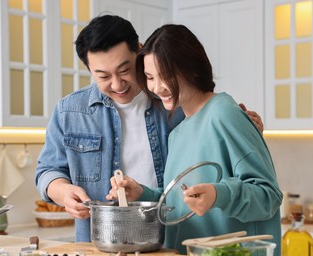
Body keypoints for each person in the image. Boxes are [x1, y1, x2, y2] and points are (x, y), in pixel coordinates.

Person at [35, 15, 264, 243]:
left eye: (125, 70)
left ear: (139, 51)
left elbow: (226, 159)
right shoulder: (70, 111)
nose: (117, 84)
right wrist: (64, 193)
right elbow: (47, 171)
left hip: (170, 240)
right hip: (100, 243)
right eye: (102, 76)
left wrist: (243, 132)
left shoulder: (175, 100)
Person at [107, 24, 282, 256]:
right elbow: (180, 202)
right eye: (150, 77)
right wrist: (142, 194)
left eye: (166, 76)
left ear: (193, 70)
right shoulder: (178, 133)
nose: (157, 87)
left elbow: (268, 195)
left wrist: (220, 195)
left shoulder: (224, 113)